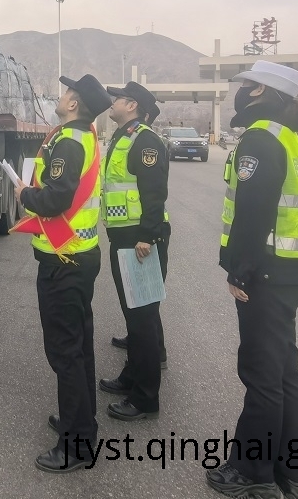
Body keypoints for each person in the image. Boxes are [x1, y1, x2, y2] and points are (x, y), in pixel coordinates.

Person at [206, 61, 298, 499]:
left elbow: (254, 212)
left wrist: (241, 270)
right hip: (287, 271)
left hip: (265, 273)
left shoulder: (260, 138)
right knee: (284, 373)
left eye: (245, 85)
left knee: (262, 375)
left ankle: (253, 472)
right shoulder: (286, 137)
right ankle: (290, 472)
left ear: (258, 92)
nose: (239, 92)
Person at [12, 74, 112, 473]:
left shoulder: (69, 141)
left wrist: (24, 194)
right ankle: (82, 423)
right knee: (79, 346)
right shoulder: (84, 136)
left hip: (64, 263)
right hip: (78, 258)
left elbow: (55, 199)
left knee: (65, 353)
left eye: (67, 91)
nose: (61, 94)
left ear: (74, 103)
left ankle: (76, 446)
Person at [97, 82, 171, 422]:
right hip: (125, 237)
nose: (112, 103)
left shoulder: (145, 140)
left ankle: (144, 398)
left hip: (139, 241)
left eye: (118, 99)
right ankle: (132, 376)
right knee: (136, 316)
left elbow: (154, 192)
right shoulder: (125, 136)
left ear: (132, 104)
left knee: (141, 320)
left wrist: (147, 236)